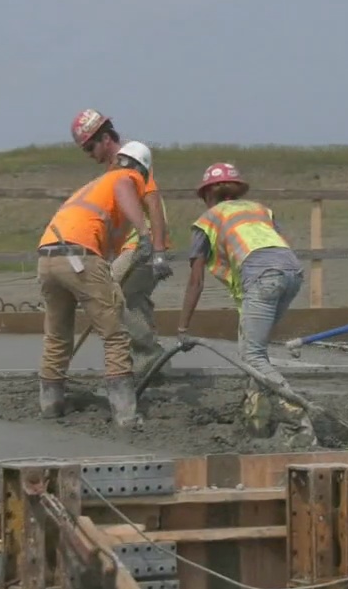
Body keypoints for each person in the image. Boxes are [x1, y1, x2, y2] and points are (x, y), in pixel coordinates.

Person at [176, 163, 316, 446]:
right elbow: (278, 245)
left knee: (252, 356)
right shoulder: (260, 210)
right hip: (291, 273)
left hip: (264, 277)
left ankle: (298, 420)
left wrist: (182, 328)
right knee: (255, 351)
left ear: (207, 195)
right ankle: (257, 424)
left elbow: (195, 282)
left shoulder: (207, 220)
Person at [36, 109, 155, 425]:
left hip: (48, 256)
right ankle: (126, 415)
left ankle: (50, 403)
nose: (89, 155)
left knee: (57, 335)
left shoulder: (92, 188)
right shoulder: (124, 177)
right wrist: (145, 236)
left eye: (90, 148)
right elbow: (125, 191)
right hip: (78, 257)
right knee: (115, 334)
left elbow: (111, 239)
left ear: (107, 138)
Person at [106, 141, 174, 380]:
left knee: (111, 293)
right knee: (133, 302)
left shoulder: (138, 182)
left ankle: (149, 357)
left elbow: (155, 211)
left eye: (125, 162)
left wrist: (156, 252)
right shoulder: (130, 182)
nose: (120, 166)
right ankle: (150, 365)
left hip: (141, 250)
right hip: (138, 249)